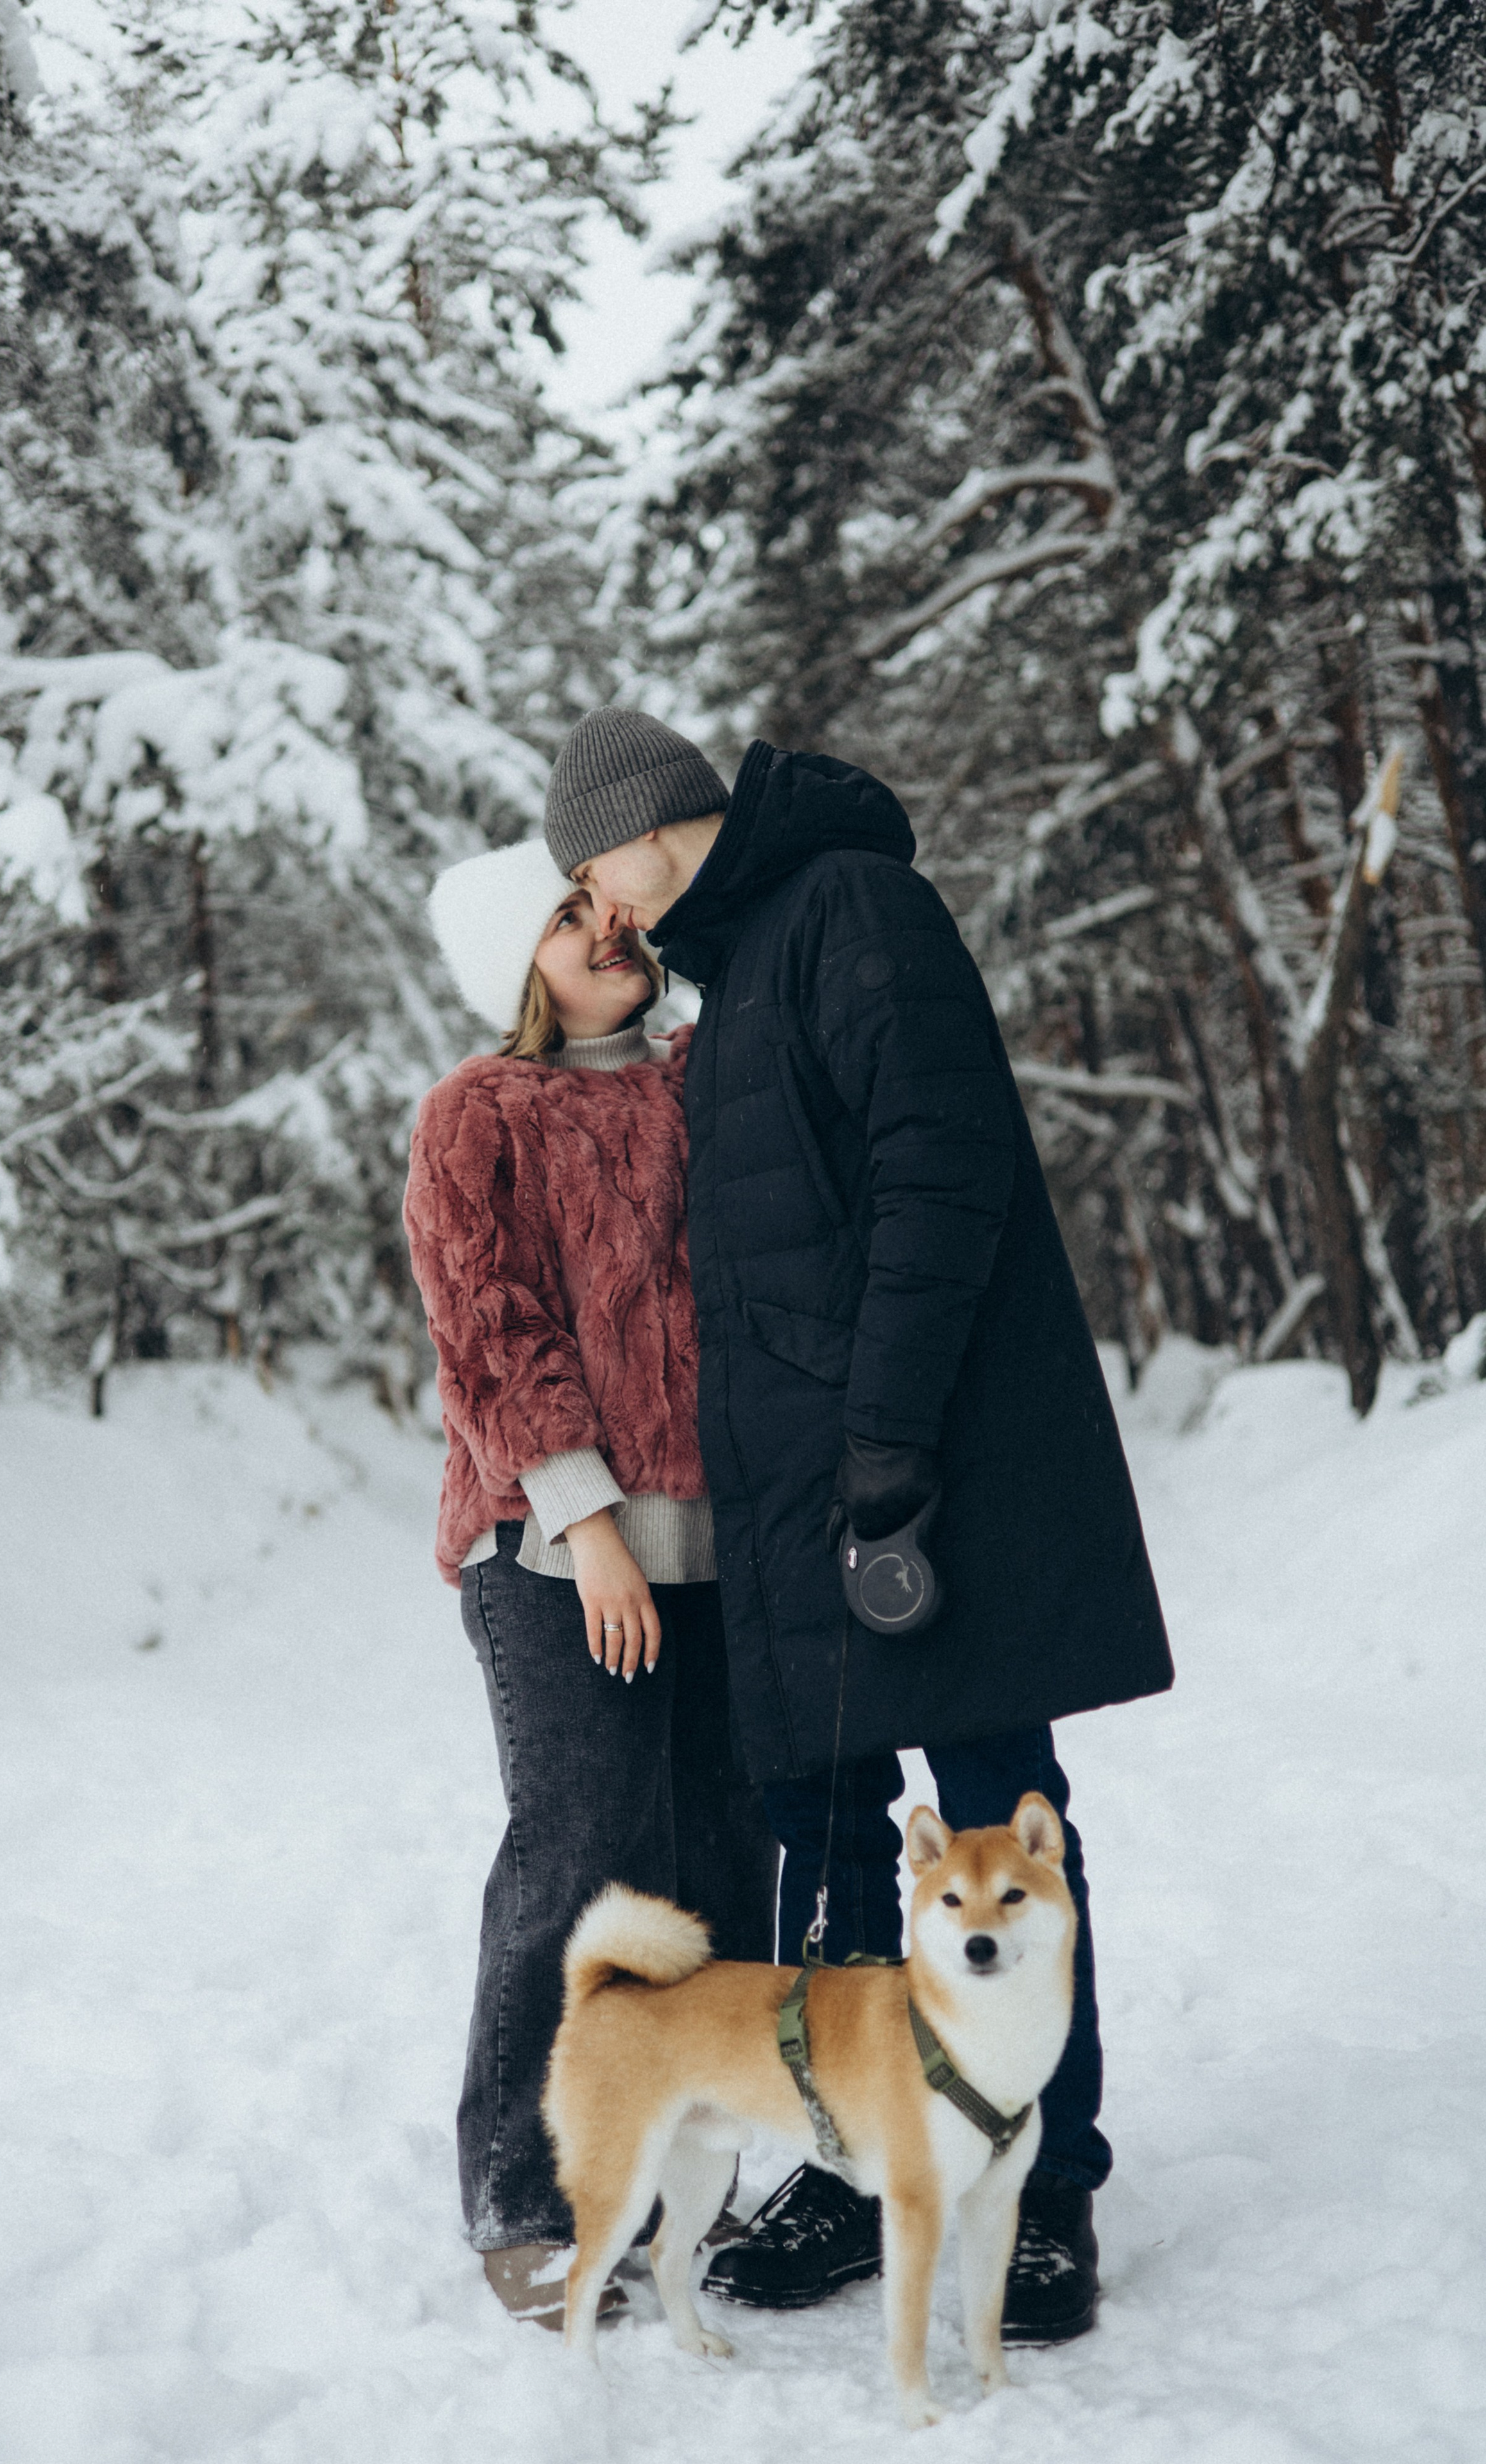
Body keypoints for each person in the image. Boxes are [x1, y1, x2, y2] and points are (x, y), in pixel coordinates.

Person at [543, 708, 1175, 2344]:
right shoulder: (736, 971)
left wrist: (888, 1443)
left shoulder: (848, 913)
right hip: (785, 1500)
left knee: (993, 1829)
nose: (591, 905)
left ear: (646, 824)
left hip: (912, 1473)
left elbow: (935, 1172)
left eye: (585, 865)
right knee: (820, 1839)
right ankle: (844, 2163)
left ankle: (1042, 2189)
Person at [403, 829, 778, 2330]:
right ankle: (523, 2186)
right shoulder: (476, 1113)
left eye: (611, 909)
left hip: (719, 1544)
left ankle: (691, 2160)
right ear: (516, 962)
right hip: (554, 1543)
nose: (603, 931)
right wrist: (589, 1528)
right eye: (565, 918)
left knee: (716, 1847)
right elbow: (487, 1327)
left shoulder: (702, 1083)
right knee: (581, 1844)